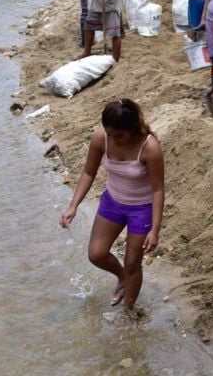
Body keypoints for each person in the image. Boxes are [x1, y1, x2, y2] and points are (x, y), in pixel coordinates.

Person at [60, 99, 165, 312]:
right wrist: (73, 206)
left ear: (133, 129)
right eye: (111, 135)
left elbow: (158, 190)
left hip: (141, 209)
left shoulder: (150, 147)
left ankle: (128, 310)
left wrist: (155, 230)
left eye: (120, 136)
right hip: (113, 202)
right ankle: (122, 277)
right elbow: (89, 172)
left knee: (133, 262)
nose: (114, 140)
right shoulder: (101, 137)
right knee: (96, 254)